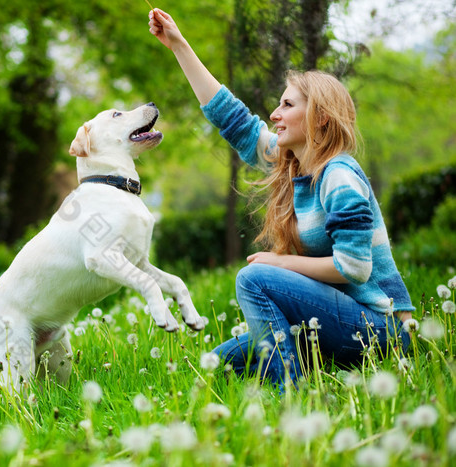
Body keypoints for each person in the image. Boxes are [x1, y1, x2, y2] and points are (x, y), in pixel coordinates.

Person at [148, 8, 414, 389]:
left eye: (287, 105)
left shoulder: (339, 175)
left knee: (254, 278)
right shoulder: (295, 166)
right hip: (333, 318)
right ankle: (295, 368)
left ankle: (290, 392)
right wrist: (178, 44)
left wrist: (281, 262)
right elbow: (233, 119)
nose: (274, 114)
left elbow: (354, 268)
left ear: (320, 117)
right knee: (219, 364)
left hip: (379, 330)